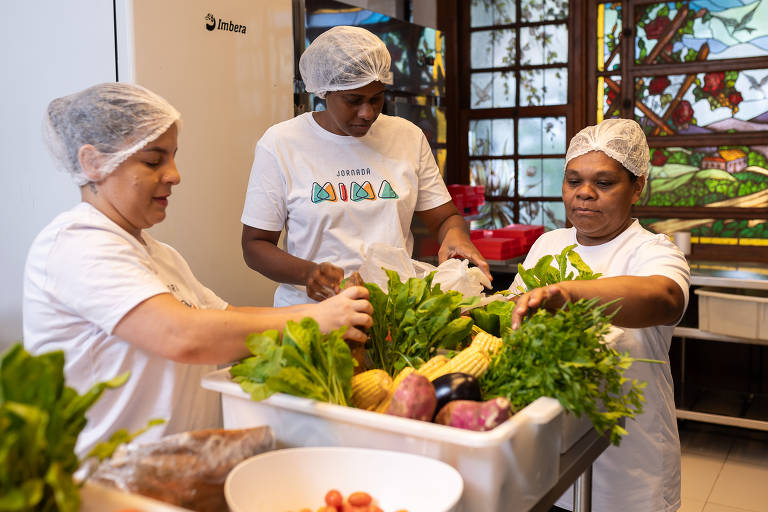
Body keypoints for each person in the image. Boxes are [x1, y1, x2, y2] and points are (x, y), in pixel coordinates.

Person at [22, 82, 373, 457]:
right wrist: (316, 318)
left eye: (173, 157)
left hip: (170, 471)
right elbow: (181, 335)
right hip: (104, 480)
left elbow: (226, 319)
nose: (174, 174)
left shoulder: (160, 255)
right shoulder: (77, 244)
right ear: (93, 163)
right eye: (154, 160)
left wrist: (332, 316)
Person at [508, 118, 689, 512]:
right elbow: (515, 317)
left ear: (637, 186)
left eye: (604, 183)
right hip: (549, 454)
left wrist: (568, 294)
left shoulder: (652, 251)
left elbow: (665, 297)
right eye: (573, 181)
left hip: (628, 460)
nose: (584, 194)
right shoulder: (547, 245)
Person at [240, 25, 490, 307]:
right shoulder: (281, 143)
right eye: (353, 100)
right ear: (326, 91)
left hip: (394, 315)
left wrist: (456, 235)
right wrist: (310, 273)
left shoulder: (406, 137)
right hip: (312, 318)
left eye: (376, 98)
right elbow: (255, 245)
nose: (367, 113)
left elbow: (444, 218)